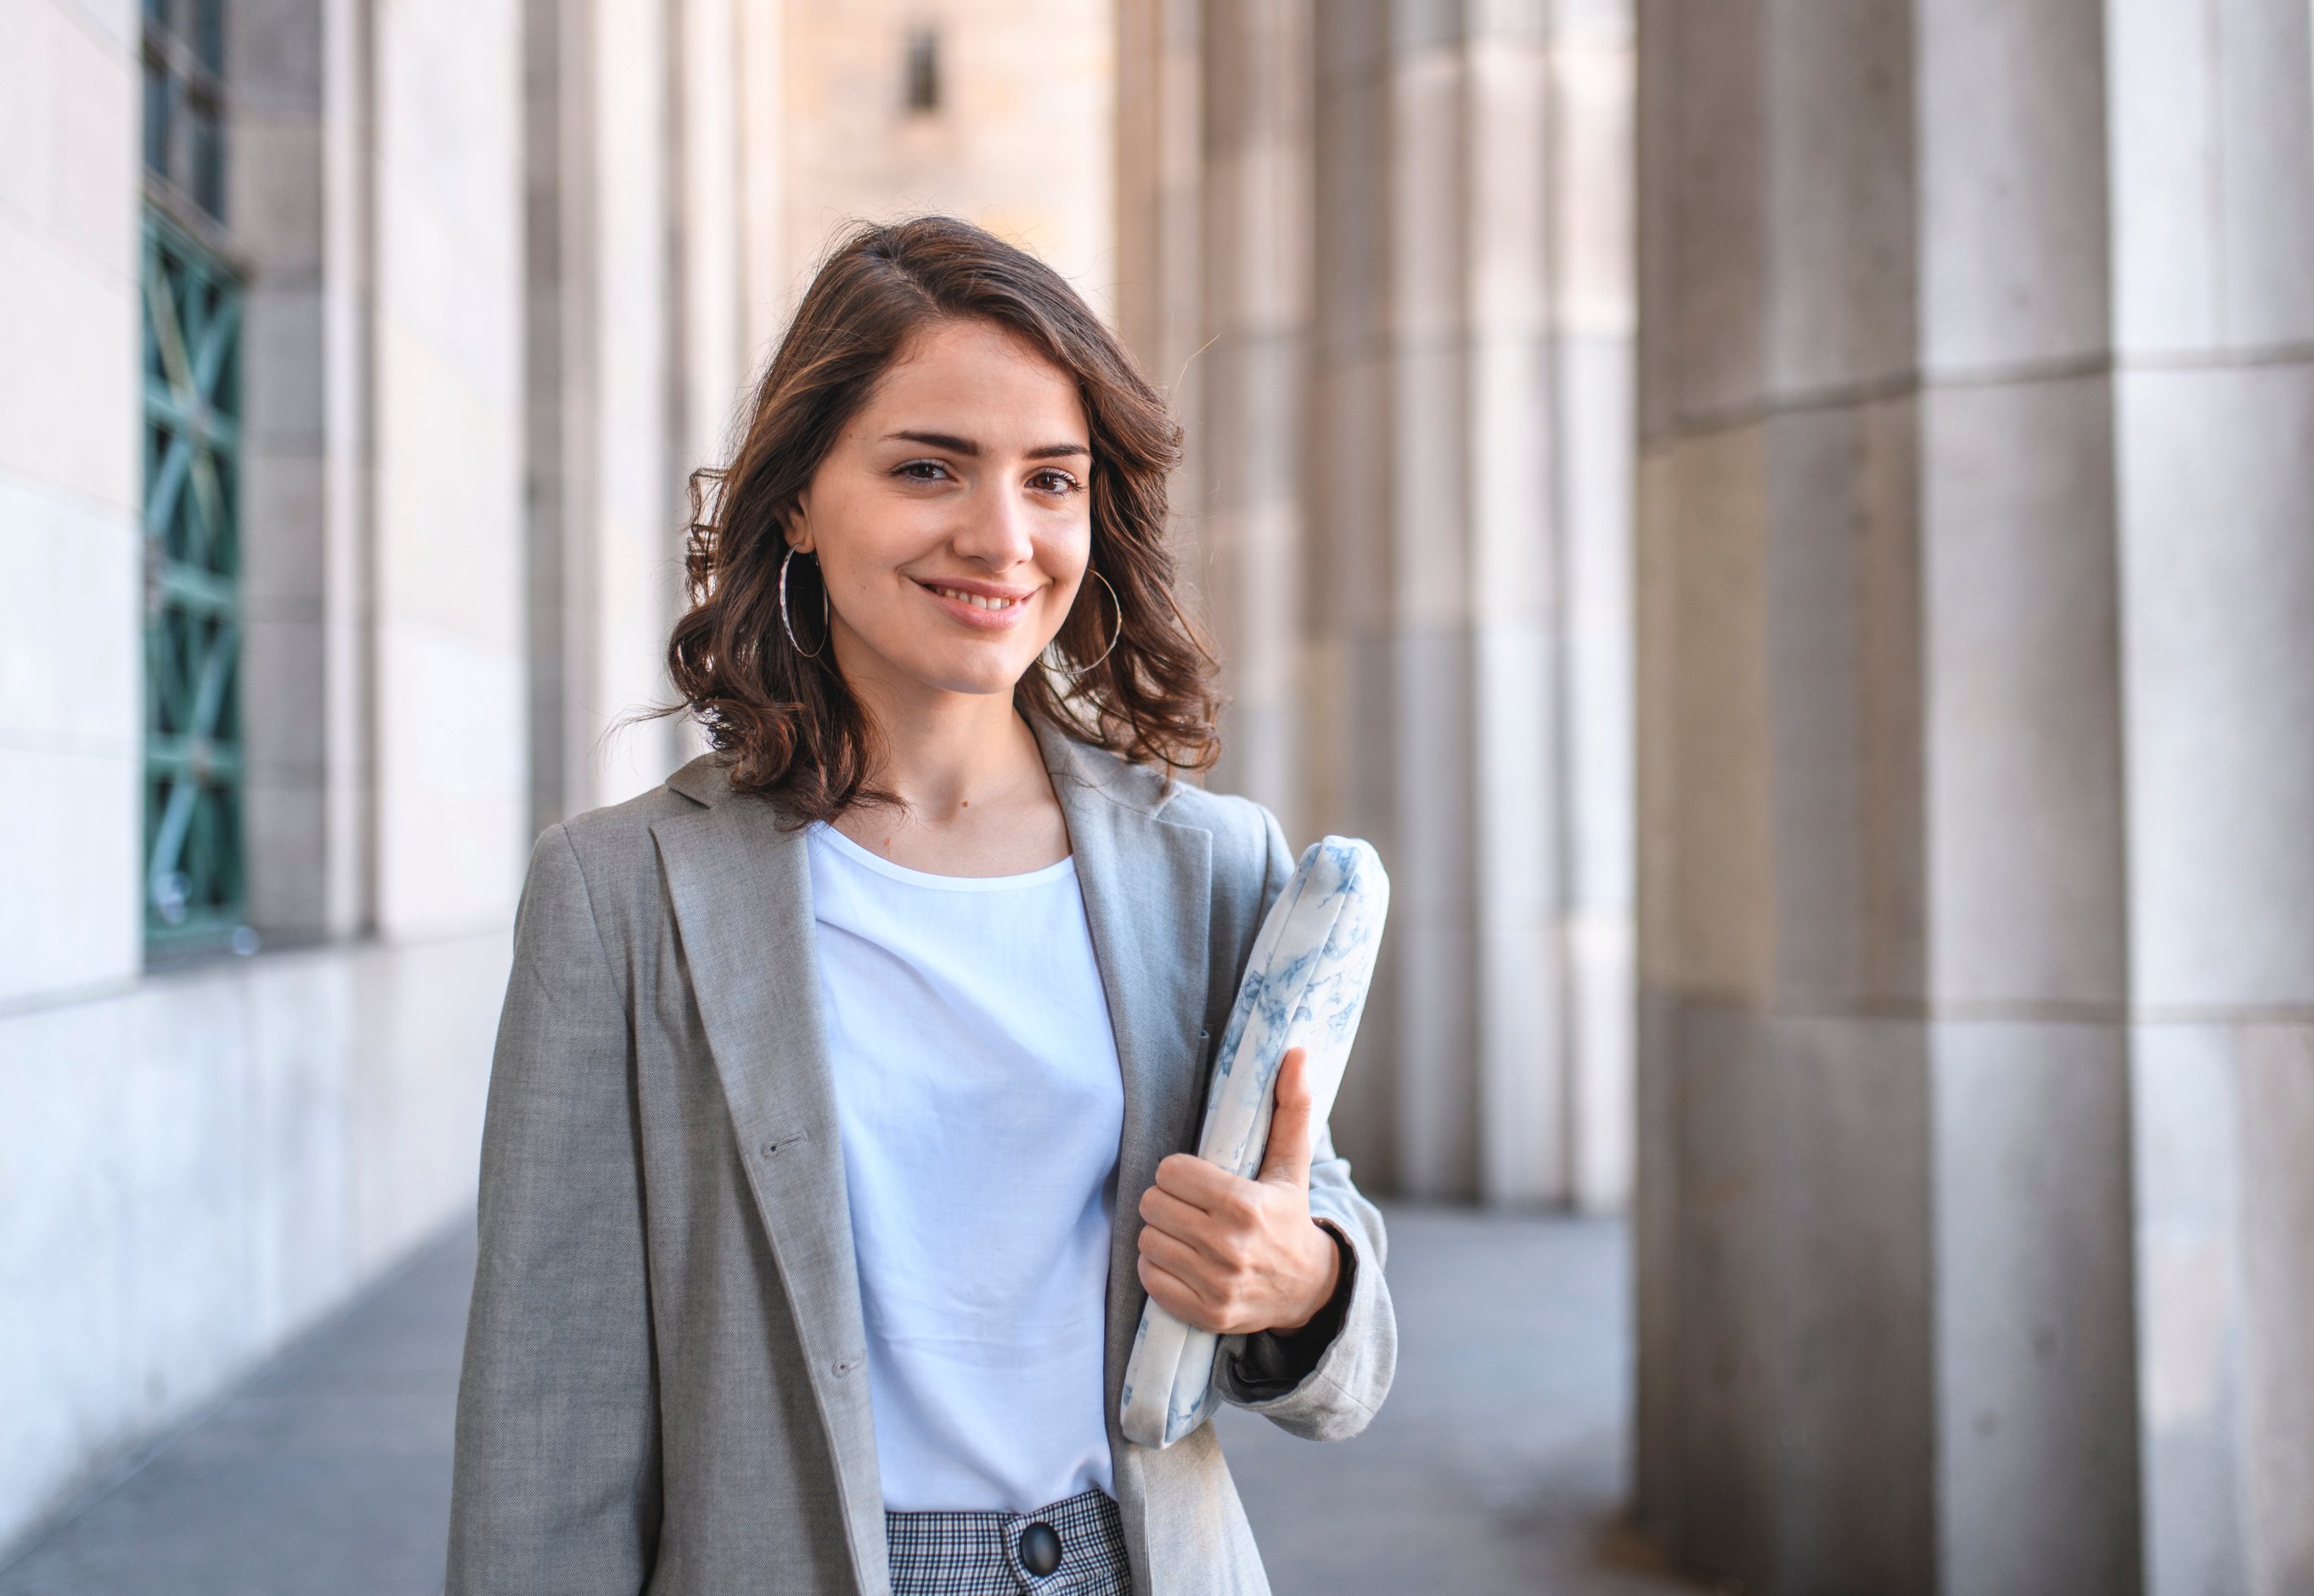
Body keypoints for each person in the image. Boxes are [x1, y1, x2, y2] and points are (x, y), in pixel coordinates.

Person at [446, 216, 1395, 1596]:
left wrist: (1300, 1281)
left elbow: (1335, 1334)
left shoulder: (1209, 868)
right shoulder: (621, 895)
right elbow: (551, 1405)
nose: (1000, 537)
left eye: (1051, 480)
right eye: (927, 468)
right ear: (796, 500)